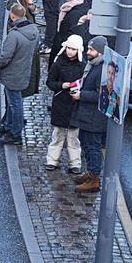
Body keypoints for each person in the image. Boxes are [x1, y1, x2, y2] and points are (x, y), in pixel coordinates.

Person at [0, 3, 39, 145]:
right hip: (24, 72)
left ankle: (15, 133)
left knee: (15, 104)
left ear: (12, 15)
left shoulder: (14, 35)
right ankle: (9, 126)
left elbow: (5, 57)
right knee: (15, 102)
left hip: (12, 74)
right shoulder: (34, 30)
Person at [70, 35, 107, 193]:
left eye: (91, 49)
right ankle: (90, 173)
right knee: (86, 144)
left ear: (100, 52)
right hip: (87, 116)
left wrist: (81, 95)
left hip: (95, 118)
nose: (88, 51)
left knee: (93, 147)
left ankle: (94, 179)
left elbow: (102, 96)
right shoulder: (94, 64)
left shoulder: (102, 70)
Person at [46, 35, 85, 174]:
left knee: (73, 138)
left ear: (78, 50)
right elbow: (49, 82)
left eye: (73, 49)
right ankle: (52, 160)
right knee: (57, 134)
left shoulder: (83, 66)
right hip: (61, 104)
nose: (70, 51)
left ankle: (74, 163)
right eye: (69, 48)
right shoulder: (58, 63)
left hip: (75, 105)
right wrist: (62, 85)